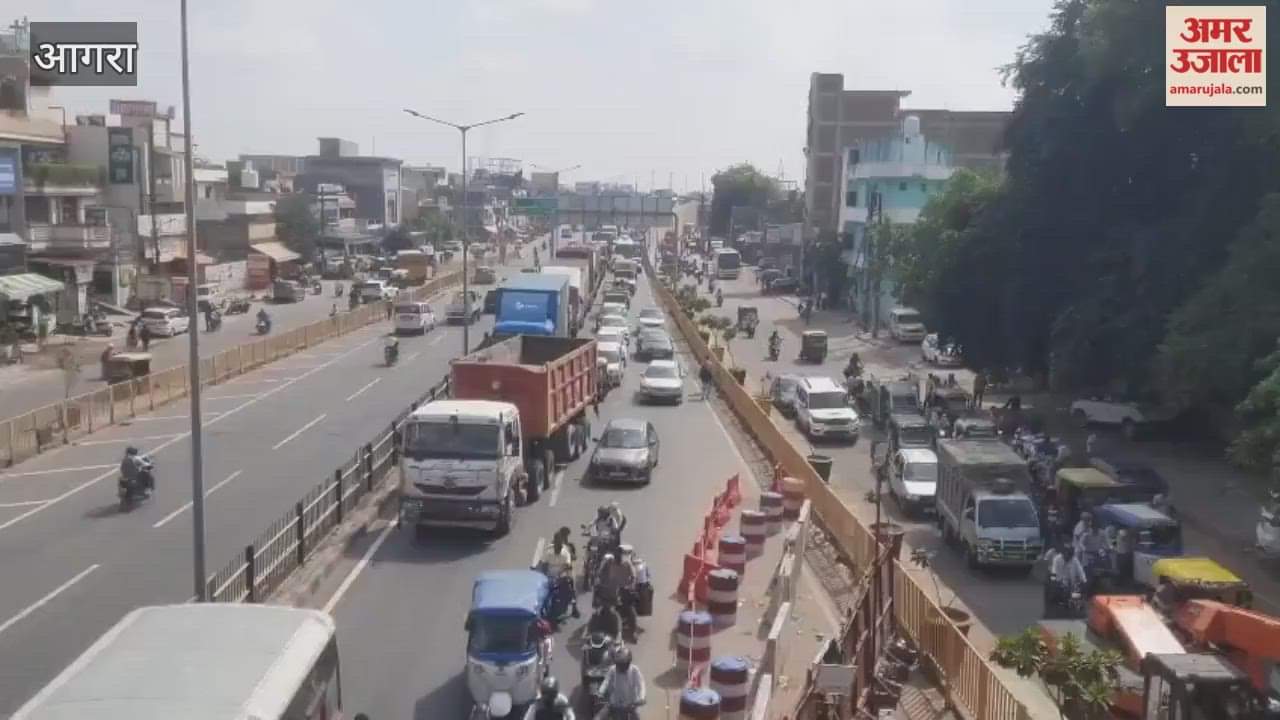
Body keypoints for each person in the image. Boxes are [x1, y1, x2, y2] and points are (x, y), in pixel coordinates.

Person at [595, 646, 646, 720]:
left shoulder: (634, 670)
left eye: (622, 665)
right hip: (615, 703)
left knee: (637, 717)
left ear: (628, 663)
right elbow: (606, 681)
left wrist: (641, 698)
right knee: (598, 718)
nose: (620, 667)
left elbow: (641, 684)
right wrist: (600, 692)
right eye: (618, 664)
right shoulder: (612, 669)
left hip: (631, 704)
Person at [538, 532, 580, 618]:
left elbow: (568, 565)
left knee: (571, 587)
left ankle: (574, 608)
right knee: (540, 590)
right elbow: (543, 564)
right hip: (549, 576)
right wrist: (542, 573)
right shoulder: (549, 551)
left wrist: (562, 574)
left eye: (559, 543)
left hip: (562, 576)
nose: (558, 545)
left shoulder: (565, 552)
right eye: (556, 543)